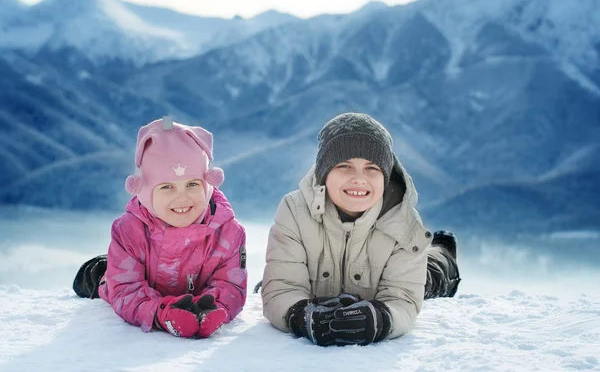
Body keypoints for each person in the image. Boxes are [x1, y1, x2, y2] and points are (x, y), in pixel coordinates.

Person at [261, 112, 460, 347]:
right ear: (325, 173)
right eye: (345, 166)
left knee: (429, 276)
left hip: (394, 276)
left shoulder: (402, 221)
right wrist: (299, 315)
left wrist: (381, 319)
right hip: (316, 287)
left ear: (385, 178)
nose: (358, 178)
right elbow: (283, 288)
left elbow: (402, 298)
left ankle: (442, 252)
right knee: (265, 286)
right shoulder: (295, 210)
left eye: (371, 168)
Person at [72, 117, 247, 339]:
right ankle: (96, 271)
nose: (182, 197)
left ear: (208, 184)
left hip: (194, 293)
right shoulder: (129, 231)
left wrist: (212, 308)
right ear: (144, 189)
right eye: (167, 187)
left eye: (192, 184)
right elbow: (126, 290)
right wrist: (161, 313)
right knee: (104, 278)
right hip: (120, 280)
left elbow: (230, 285)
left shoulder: (228, 232)